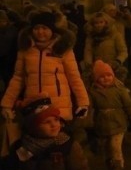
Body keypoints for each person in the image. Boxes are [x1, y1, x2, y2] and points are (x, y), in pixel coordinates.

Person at [1, 9, 90, 146]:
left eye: (44, 28)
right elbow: (18, 78)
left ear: (52, 30)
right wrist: (6, 104)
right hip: (33, 106)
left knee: (60, 147)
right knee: (35, 146)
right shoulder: (25, 50)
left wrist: (83, 102)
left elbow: (75, 78)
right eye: (37, 28)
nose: (40, 32)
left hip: (59, 105)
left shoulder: (62, 49)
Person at [88, 60, 131, 170]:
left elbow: (129, 106)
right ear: (96, 79)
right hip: (102, 125)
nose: (106, 78)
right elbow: (90, 111)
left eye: (108, 75)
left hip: (118, 124)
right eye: (102, 77)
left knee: (115, 147)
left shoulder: (119, 89)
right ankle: (111, 168)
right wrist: (89, 126)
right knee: (107, 149)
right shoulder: (92, 92)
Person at [82, 11, 129, 82]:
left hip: (113, 68)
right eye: (96, 23)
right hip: (98, 69)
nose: (99, 25)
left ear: (106, 23)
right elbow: (88, 51)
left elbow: (123, 51)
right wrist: (89, 66)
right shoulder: (91, 37)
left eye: (101, 22)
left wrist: (117, 61)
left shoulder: (115, 35)